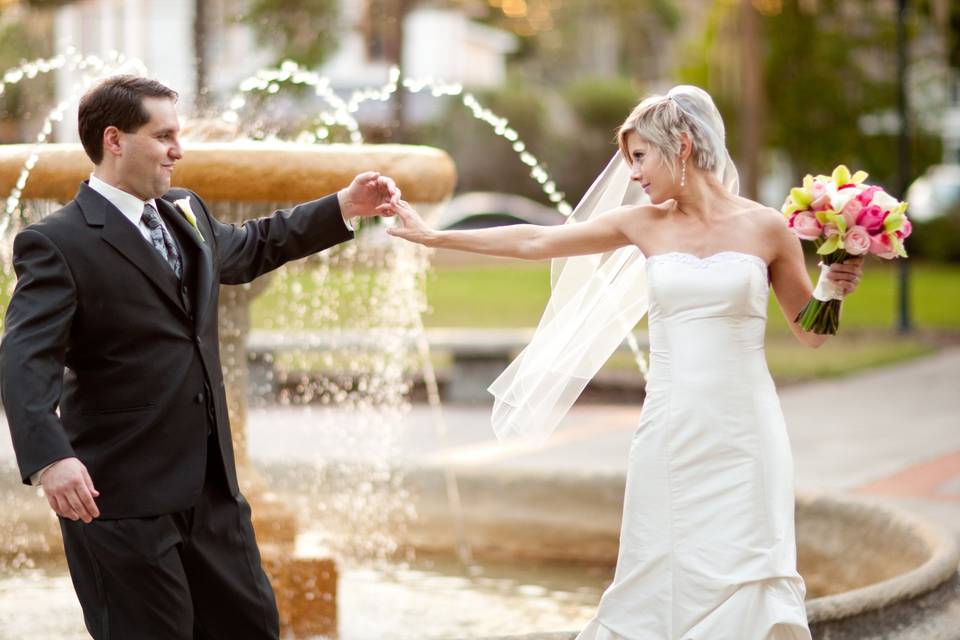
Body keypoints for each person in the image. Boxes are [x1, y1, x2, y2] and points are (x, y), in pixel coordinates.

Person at [385, 85, 863, 639]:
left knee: (753, 563)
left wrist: (833, 286)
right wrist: (436, 236)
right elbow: (537, 241)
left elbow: (811, 334)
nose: (632, 173)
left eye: (640, 156)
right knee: (659, 564)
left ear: (681, 146)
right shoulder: (643, 224)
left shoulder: (768, 228)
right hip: (671, 428)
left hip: (747, 429)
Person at [0, 74, 398, 639]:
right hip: (121, 501)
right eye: (163, 136)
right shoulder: (56, 242)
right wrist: (50, 458)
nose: (178, 151)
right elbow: (23, 359)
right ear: (114, 140)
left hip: (213, 494)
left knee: (253, 628)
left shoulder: (184, 209)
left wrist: (344, 205)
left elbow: (255, 245)